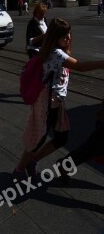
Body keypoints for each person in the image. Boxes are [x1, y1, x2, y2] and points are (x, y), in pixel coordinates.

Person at [13, 18, 104, 178]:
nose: (68, 38)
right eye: (64, 36)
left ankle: (33, 161)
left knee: (61, 138)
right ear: (55, 38)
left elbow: (33, 42)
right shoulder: (56, 53)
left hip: (57, 102)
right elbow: (80, 67)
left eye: (69, 34)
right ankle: (19, 169)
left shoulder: (56, 51)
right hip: (47, 102)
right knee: (38, 138)